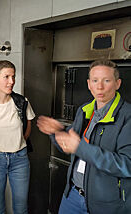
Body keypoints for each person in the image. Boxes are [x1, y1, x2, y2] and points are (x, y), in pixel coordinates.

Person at [37, 59, 131, 214]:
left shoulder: (127, 117)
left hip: (107, 205)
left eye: (106, 80)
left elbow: (127, 165)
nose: (99, 86)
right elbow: (70, 146)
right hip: (73, 195)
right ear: (88, 84)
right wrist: (57, 132)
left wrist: (80, 147)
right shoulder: (85, 110)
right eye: (95, 80)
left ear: (117, 83)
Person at [0, 60, 35, 214]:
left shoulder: (22, 102)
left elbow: (28, 124)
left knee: (21, 208)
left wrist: (19, 141)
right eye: (7, 77)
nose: (12, 81)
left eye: (13, 77)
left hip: (20, 160)